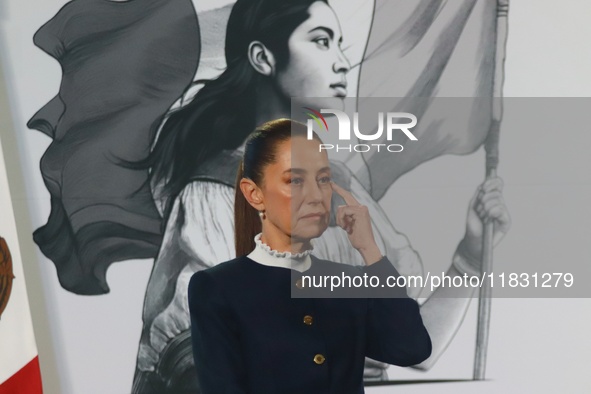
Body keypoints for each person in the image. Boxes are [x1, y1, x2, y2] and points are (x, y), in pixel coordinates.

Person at [133, 0, 511, 391]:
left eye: (340, 44)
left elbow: (419, 346)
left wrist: (469, 255)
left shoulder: (344, 195)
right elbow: (195, 366)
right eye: (321, 41)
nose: (342, 62)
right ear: (263, 57)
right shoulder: (215, 194)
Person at [188, 118, 432, 393]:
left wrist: (370, 251)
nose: (316, 195)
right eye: (295, 180)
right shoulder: (218, 288)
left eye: (324, 179)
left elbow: (411, 348)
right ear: (254, 194)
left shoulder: (349, 282)